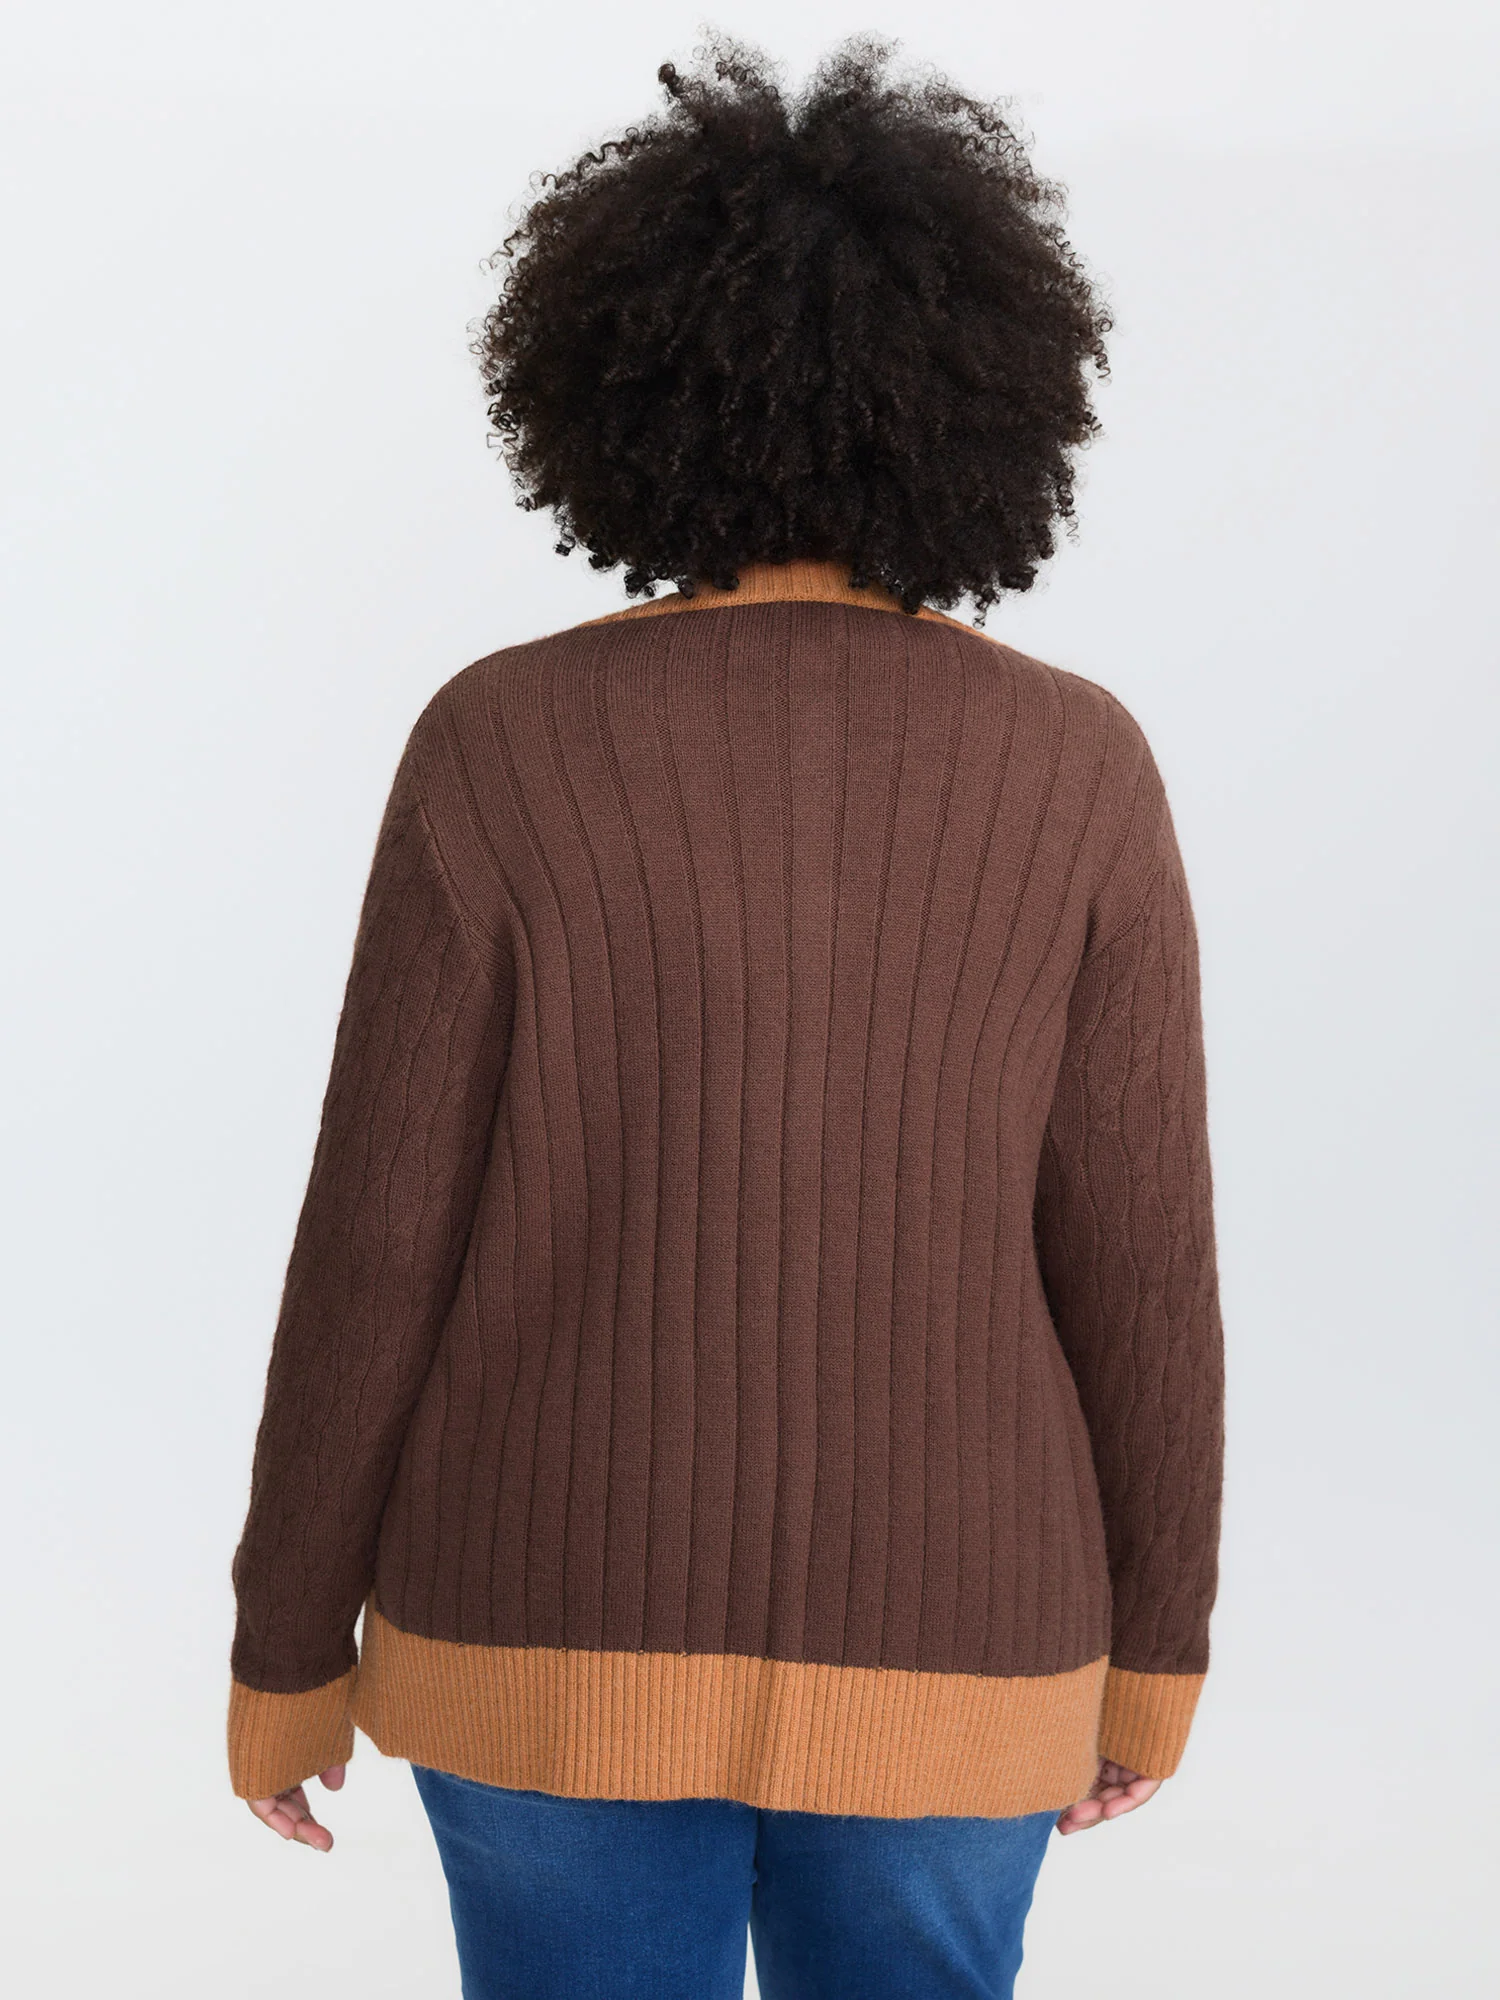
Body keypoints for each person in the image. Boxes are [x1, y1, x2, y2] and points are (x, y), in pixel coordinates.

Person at [226, 33, 1225, 2000]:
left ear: (607, 389)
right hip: (966, 1626)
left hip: (539, 1618)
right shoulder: (1079, 766)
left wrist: (284, 1648)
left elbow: (374, 1245)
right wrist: (1157, 1649)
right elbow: (1144, 1266)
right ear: (991, 396)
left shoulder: (499, 739)